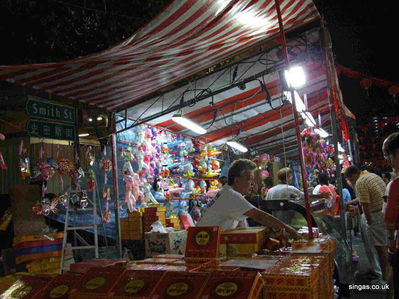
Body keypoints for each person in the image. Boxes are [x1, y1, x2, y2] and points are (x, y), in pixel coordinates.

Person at [196, 159, 299, 239]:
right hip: (202, 244)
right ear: (237, 181)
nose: (252, 184)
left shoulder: (227, 192)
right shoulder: (231, 195)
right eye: (249, 179)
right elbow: (259, 216)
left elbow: (241, 227)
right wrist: (289, 230)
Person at [345, 165, 389, 282]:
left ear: (353, 176)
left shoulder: (360, 182)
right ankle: (382, 274)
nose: (350, 183)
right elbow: (362, 198)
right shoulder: (372, 176)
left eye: (349, 180)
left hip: (375, 216)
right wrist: (350, 202)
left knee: (380, 248)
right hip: (383, 212)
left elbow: (365, 205)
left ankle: (383, 279)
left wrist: (369, 222)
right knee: (383, 246)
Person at [382, 132, 399, 298]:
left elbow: (389, 220)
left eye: (390, 157)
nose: (390, 163)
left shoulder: (396, 184)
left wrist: (390, 240)